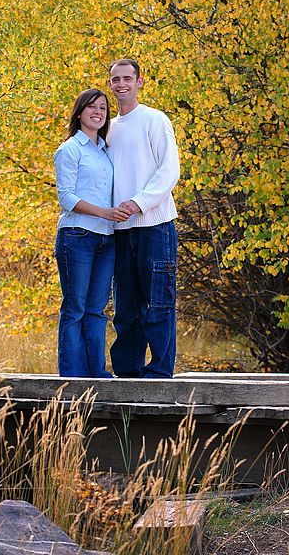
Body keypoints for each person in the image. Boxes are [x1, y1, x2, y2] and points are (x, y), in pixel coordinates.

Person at [107, 58, 180, 378]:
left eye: (127, 78)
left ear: (139, 82)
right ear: (109, 84)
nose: (121, 84)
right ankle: (128, 372)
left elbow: (170, 171)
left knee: (158, 305)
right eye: (115, 79)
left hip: (156, 227)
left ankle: (160, 374)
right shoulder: (107, 127)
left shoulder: (155, 120)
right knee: (125, 309)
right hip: (120, 230)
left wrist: (138, 203)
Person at [54, 88, 131, 377]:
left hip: (106, 239)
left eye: (102, 108)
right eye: (91, 107)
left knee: (96, 310)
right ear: (79, 113)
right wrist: (105, 213)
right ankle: (72, 377)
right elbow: (67, 198)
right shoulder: (69, 150)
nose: (98, 112)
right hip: (78, 236)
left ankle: (96, 373)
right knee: (75, 308)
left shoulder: (104, 151)